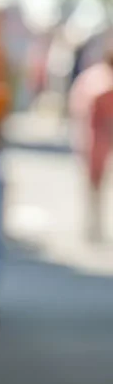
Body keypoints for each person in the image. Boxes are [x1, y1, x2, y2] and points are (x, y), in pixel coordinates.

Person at [68, 32, 113, 243]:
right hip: (95, 139)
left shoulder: (93, 78)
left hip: (94, 139)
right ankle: (92, 227)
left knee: (94, 186)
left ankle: (93, 227)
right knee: (93, 185)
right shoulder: (100, 81)